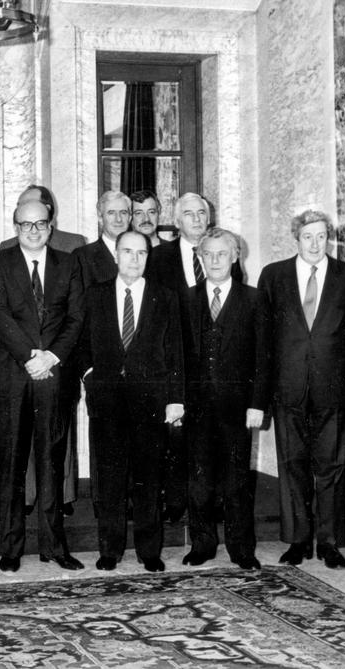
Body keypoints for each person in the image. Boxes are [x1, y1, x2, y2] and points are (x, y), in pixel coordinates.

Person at [258, 210, 345, 569]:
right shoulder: (274, 275)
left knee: (332, 466)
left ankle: (329, 543)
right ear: (296, 238)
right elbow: (265, 333)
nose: (315, 244)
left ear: (328, 237)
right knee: (293, 465)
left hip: (333, 386)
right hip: (288, 387)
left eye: (321, 236)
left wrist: (332, 353)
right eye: (308, 237)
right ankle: (298, 540)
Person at [0, 199, 85, 572]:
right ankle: (11, 548)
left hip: (53, 376)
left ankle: (53, 546)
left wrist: (51, 357)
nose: (32, 230)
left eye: (40, 223)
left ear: (50, 226)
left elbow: (76, 318)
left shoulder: (68, 263)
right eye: (25, 224)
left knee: (51, 464)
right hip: (14, 375)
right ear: (14, 226)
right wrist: (30, 357)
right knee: (12, 464)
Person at [77, 231, 184, 572]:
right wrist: (89, 375)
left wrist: (175, 399)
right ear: (116, 255)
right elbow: (80, 340)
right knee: (109, 476)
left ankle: (148, 550)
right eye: (127, 251)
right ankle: (110, 549)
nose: (134, 259)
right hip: (106, 399)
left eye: (141, 253)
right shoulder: (95, 294)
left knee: (147, 477)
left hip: (150, 400)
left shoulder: (164, 296)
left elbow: (176, 350)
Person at [147, 191, 243, 524]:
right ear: (177, 221)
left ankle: (211, 507)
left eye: (201, 212)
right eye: (189, 214)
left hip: (216, 370)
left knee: (214, 445)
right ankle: (175, 504)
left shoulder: (225, 253)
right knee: (175, 439)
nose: (197, 219)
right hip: (176, 364)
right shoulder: (158, 258)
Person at [181, 227, 269, 571]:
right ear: (200, 259)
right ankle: (202, 544)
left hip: (239, 408)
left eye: (222, 254)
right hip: (197, 408)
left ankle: (241, 548)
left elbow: (264, 356)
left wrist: (258, 403)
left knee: (237, 481)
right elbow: (178, 357)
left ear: (236, 257)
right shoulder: (187, 299)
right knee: (199, 481)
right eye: (208, 254)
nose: (215, 260)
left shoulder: (254, 299)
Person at [0, 185, 87, 253]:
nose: (24, 209)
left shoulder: (73, 243)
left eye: (30, 203)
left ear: (47, 209)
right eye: (20, 205)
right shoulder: (6, 246)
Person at [76, 190, 133, 289]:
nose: (118, 219)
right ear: (100, 217)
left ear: (130, 217)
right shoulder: (82, 257)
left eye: (123, 213)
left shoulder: (141, 253)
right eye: (111, 213)